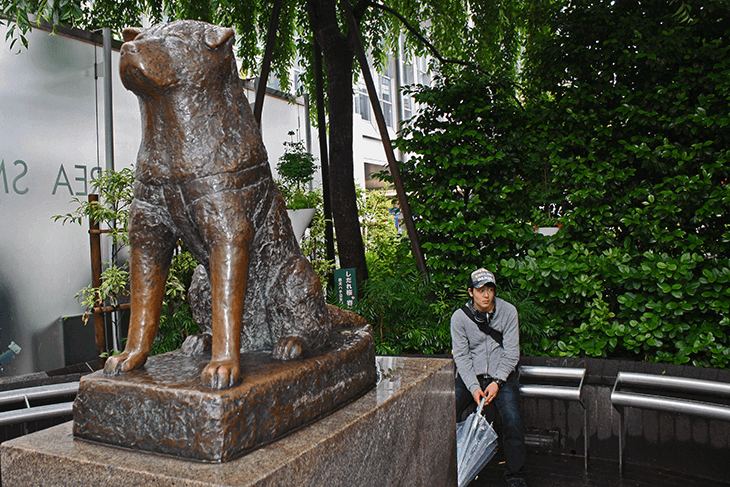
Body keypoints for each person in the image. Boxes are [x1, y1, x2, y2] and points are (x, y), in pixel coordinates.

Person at [452, 268, 527, 487]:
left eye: (490, 289)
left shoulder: (508, 311)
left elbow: (512, 352)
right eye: (481, 290)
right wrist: (474, 388)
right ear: (470, 292)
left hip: (501, 376)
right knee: (447, 411)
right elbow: (462, 357)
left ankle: (516, 475)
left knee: (512, 419)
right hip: (471, 377)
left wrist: (498, 381)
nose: (486, 295)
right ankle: (449, 465)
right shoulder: (459, 318)